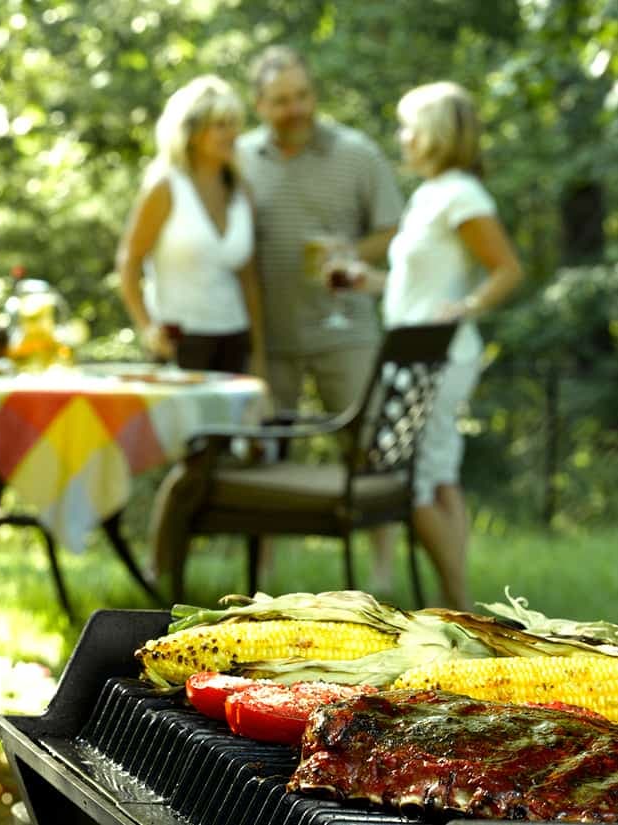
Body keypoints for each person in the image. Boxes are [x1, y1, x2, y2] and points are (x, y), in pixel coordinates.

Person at [334, 81, 523, 609]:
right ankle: (457, 605)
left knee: (414, 480)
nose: (403, 137)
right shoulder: (428, 194)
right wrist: (361, 280)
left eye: (409, 125)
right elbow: (409, 284)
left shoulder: (463, 194)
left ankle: (455, 605)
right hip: (414, 358)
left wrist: (465, 307)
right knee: (438, 475)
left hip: (438, 359)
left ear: (436, 132)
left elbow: (507, 269)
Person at [236, 45, 404, 592]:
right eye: (282, 100)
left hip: (346, 329)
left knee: (369, 443)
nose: (296, 108)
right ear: (260, 105)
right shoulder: (239, 158)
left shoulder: (356, 153)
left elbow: (392, 228)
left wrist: (351, 254)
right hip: (271, 336)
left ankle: (381, 573)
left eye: (303, 95)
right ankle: (261, 575)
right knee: (266, 453)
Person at [117, 75, 265, 375]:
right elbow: (129, 261)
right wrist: (147, 328)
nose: (232, 134)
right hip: (179, 341)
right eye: (220, 125)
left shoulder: (240, 190)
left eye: (235, 123)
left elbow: (248, 278)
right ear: (193, 132)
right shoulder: (165, 186)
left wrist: (259, 353)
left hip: (234, 338)